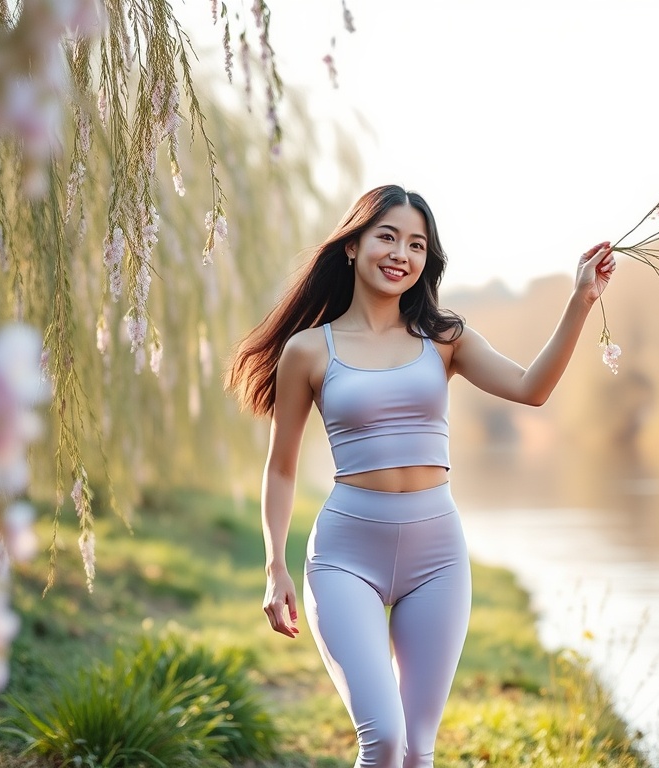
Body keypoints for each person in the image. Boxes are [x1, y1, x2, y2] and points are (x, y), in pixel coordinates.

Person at [225, 184, 616, 768]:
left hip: (437, 557)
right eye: (386, 236)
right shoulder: (309, 351)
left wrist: (580, 300)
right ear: (353, 246)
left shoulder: (443, 339)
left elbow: (532, 388)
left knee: (416, 751)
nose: (400, 253)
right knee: (382, 740)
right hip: (345, 556)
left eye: (416, 244)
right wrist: (275, 564)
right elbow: (281, 467)